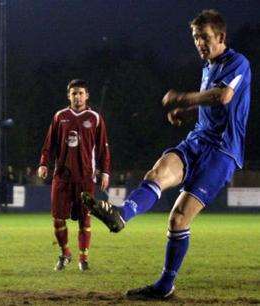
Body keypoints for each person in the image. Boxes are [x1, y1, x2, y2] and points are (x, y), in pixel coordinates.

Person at [82, 10, 251, 300]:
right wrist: (187, 113)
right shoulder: (208, 67)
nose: (199, 43)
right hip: (197, 141)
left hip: (222, 152)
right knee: (157, 174)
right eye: (196, 37)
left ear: (221, 37)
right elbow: (210, 103)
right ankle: (121, 216)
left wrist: (183, 98)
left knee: (178, 220)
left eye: (205, 37)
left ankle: (164, 285)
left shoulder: (238, 62)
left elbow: (222, 97)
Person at [38, 79, 111, 271]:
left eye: (80, 93)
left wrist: (105, 172)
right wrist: (44, 163)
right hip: (61, 176)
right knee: (57, 218)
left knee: (84, 219)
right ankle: (65, 253)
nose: (77, 96)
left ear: (87, 96)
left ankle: (83, 258)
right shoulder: (59, 116)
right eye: (73, 93)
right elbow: (49, 144)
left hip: (85, 177)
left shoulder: (95, 118)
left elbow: (103, 148)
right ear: (68, 96)